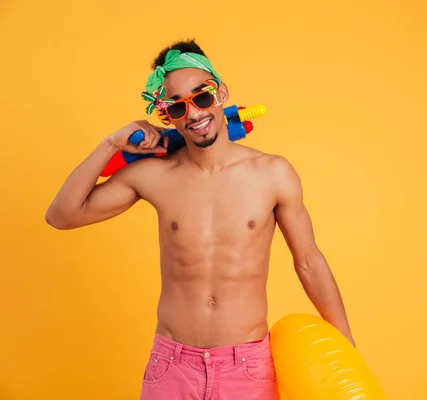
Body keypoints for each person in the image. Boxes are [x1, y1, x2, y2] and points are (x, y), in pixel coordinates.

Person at [45, 39, 354, 400]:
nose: (193, 114)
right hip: (172, 366)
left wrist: (345, 347)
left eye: (202, 97)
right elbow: (61, 215)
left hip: (247, 367)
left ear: (221, 92)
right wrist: (111, 144)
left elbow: (309, 263)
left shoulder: (272, 174)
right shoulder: (153, 176)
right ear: (166, 116)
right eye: (177, 106)